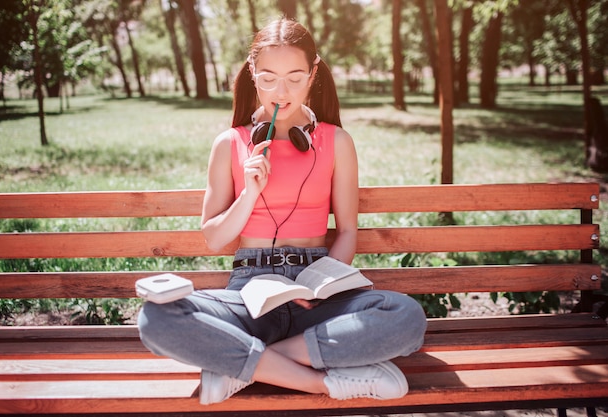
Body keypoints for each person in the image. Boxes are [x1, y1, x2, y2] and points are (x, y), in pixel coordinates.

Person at [138, 18, 427, 405]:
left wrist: (320, 287)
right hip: (250, 293)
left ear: (312, 75)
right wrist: (249, 194)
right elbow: (214, 238)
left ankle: (245, 364)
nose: (281, 91)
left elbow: (346, 233)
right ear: (253, 74)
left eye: (294, 77)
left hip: (318, 292)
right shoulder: (230, 144)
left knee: (405, 317)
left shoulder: (337, 141)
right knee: (156, 317)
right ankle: (320, 382)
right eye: (269, 78)